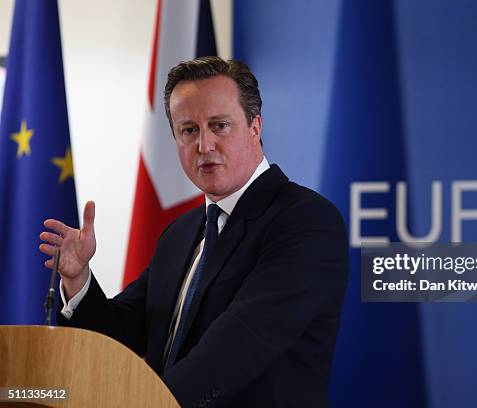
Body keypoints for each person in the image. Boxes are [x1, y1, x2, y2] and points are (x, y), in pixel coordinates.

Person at [39, 57, 349, 407]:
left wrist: (144, 403)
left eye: (219, 126)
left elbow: (235, 350)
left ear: (255, 127)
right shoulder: (180, 233)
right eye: (189, 130)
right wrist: (78, 279)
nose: (204, 145)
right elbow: (120, 336)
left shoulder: (305, 221)